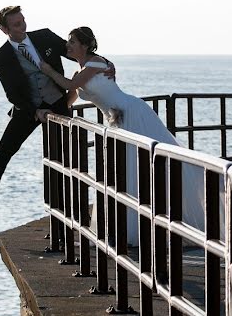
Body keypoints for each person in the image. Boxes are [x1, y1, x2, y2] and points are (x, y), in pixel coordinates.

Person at [38, 26, 205, 245]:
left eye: (72, 42)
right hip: (116, 121)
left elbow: (71, 85)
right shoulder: (82, 71)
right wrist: (50, 112)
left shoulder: (96, 63)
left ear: (85, 45)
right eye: (68, 42)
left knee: (145, 169)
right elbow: (70, 98)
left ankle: (152, 225)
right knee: (124, 174)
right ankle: (129, 228)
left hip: (132, 114)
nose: (67, 46)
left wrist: (48, 71)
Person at [0, 6, 114, 223]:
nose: (23, 26)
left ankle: (78, 215)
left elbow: (78, 54)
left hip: (57, 104)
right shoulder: (2, 56)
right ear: (4, 29)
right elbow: (12, 92)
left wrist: (104, 63)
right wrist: (35, 110)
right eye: (16, 24)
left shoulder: (44, 36)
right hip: (27, 110)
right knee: (1, 155)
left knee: (67, 162)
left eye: (23, 21)